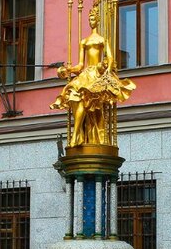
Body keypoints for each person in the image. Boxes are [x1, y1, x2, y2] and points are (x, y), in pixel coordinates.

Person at [52, 8, 135, 147]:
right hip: (87, 73)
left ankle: (76, 135)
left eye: (93, 19)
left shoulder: (102, 40)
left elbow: (110, 58)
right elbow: (80, 65)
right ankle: (78, 133)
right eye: (90, 19)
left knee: (90, 100)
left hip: (98, 73)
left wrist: (107, 71)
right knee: (73, 93)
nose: (91, 21)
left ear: (97, 20)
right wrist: (67, 69)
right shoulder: (84, 41)